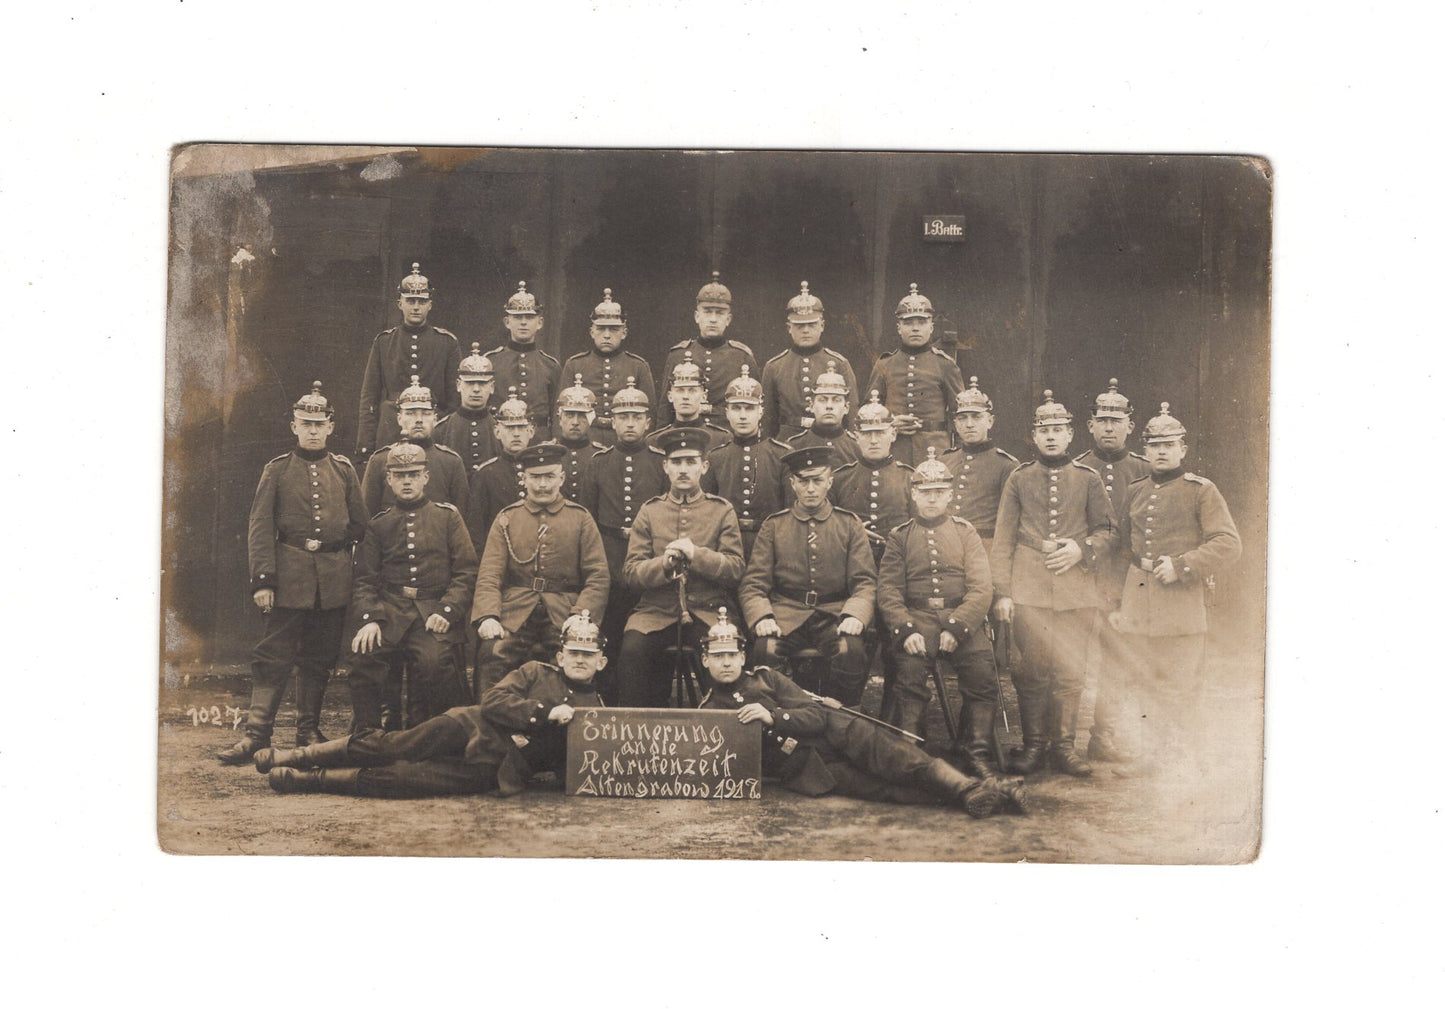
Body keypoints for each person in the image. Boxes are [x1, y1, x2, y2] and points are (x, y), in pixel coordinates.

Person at [698, 612, 1026, 816]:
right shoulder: (709, 713)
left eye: (731, 655)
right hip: (811, 768)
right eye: (718, 657)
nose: (725, 663)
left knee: (900, 760)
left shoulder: (767, 678)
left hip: (837, 732)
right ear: (705, 661)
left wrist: (774, 716)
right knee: (887, 790)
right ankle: (982, 795)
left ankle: (970, 789)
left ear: (742, 658)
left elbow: (816, 715)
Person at [255, 612, 608, 798]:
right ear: (560, 656)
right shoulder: (534, 671)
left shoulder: (597, 713)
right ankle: (295, 757)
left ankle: (310, 781)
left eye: (588, 656)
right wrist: (544, 714)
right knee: (396, 744)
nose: (580, 661)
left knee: (404, 780)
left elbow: (575, 767)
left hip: (494, 767)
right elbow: (493, 701)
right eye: (574, 653)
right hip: (468, 726)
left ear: (601, 663)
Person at [218, 382, 368, 765]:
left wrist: (337, 557)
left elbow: (359, 525)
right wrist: (264, 580)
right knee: (273, 655)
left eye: (320, 424)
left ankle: (307, 730)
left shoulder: (344, 470)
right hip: (288, 579)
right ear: (294, 426)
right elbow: (260, 526)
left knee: (319, 657)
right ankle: (256, 734)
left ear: (331, 427)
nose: (313, 431)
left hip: (333, 582)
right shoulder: (278, 470)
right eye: (306, 423)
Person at [1108, 403, 1241, 777]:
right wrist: (1117, 601)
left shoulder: (1201, 490)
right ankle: (1152, 758)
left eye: (1170, 444)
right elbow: (1122, 548)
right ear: (1145, 450)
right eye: (1154, 445)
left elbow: (1228, 544)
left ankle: (1191, 762)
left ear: (1183, 448)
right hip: (1138, 599)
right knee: (1146, 683)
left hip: (1180, 602)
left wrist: (1182, 565)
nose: (1162, 451)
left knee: (1181, 688)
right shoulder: (1134, 490)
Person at [992, 391, 1117, 777]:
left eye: (1058, 430)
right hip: (1029, 588)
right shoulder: (1019, 477)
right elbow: (1003, 540)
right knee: (1032, 670)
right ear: (1033, 435)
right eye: (1044, 430)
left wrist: (1082, 550)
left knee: (1070, 669)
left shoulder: (1088, 478)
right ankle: (1033, 747)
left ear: (1071, 434)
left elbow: (1109, 531)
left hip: (1075, 589)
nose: (1051, 437)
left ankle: (1064, 747)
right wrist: (1003, 593)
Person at [877, 449, 999, 775]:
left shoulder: (965, 532)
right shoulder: (900, 537)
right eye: (925, 493)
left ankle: (974, 752)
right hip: (917, 621)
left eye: (939, 493)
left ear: (950, 495)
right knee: (910, 674)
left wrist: (958, 627)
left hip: (961, 618)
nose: (932, 499)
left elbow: (981, 588)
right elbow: (888, 591)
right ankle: (912, 753)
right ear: (914, 494)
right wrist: (906, 629)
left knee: (982, 674)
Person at [345, 443, 478, 731]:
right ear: (389, 479)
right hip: (390, 612)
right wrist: (371, 620)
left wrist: (448, 611)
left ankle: (433, 736)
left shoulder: (447, 517)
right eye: (400, 475)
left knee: (435, 664)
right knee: (364, 656)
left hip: (433, 612)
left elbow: (466, 572)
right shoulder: (379, 525)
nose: (407, 481)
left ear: (426, 477)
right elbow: (365, 580)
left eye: (414, 474)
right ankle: (369, 737)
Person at [740, 446, 877, 707]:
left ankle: (841, 718)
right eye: (803, 481)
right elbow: (753, 584)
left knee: (851, 651)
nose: (811, 488)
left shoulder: (848, 524)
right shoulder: (775, 525)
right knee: (765, 649)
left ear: (830, 481)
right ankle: (784, 717)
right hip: (786, 614)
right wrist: (762, 616)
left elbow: (865, 582)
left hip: (834, 614)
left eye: (817, 480)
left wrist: (855, 615)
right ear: (793, 484)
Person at [617, 428, 745, 706]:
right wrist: (662, 565)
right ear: (665, 467)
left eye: (691, 462)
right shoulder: (650, 511)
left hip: (708, 612)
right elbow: (631, 573)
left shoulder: (722, 510)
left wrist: (696, 555)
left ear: (704, 466)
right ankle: (635, 738)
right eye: (676, 462)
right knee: (632, 650)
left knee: (724, 656)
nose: (683, 469)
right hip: (656, 612)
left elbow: (735, 568)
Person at [470, 442, 610, 697]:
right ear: (523, 479)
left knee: (574, 654)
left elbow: (598, 576)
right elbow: (490, 574)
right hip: (515, 611)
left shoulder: (580, 518)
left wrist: (580, 614)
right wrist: (488, 616)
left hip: (564, 613)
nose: (543, 484)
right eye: (535, 477)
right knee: (493, 652)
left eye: (549, 477)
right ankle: (489, 726)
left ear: (562, 478)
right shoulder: (507, 518)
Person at [1073, 378, 1152, 763]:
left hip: (1123, 578)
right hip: (1080, 576)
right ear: (1090, 425)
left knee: (1117, 660)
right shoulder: (1076, 469)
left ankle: (1102, 736)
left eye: (1115, 420)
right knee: (1068, 657)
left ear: (1130, 426)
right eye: (1101, 419)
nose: (1108, 427)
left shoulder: (1145, 469)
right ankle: (1062, 740)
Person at [576, 377, 668, 688]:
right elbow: (587, 518)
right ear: (612, 422)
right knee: (609, 634)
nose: (630, 424)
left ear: (648, 422)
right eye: (623, 417)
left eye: (636, 418)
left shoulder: (659, 462)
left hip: (649, 558)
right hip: (608, 555)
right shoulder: (598, 462)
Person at [356, 262, 462, 459]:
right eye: (410, 300)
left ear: (430, 304)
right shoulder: (384, 342)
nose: (415, 307)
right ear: (400, 303)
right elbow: (369, 397)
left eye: (421, 301)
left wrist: (445, 434)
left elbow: (455, 400)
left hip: (433, 430)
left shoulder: (447, 343)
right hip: (391, 430)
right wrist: (366, 445)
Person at [864, 283, 966, 468]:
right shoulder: (884, 364)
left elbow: (960, 413)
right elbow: (866, 411)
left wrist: (957, 456)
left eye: (922, 322)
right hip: (895, 449)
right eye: (908, 323)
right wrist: (890, 422)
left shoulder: (945, 365)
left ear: (931, 326)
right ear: (899, 327)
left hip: (935, 451)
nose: (915, 328)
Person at [700, 364, 789, 561]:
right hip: (726, 546)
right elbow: (707, 513)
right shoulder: (715, 458)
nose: (742, 415)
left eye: (749, 408)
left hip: (771, 547)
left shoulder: (780, 456)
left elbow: (789, 515)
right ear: (726, 412)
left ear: (761, 412)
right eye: (736, 408)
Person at [761, 281, 859, 440]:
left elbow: (852, 415)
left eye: (812, 324)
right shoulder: (774, 367)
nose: (806, 330)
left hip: (829, 441)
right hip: (786, 443)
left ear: (822, 325)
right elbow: (767, 421)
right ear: (789, 328)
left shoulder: (840, 364)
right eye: (799, 325)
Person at [659, 271, 758, 426]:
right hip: (687, 432)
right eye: (707, 312)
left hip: (728, 434)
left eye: (719, 313)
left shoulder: (742, 356)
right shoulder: (677, 355)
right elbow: (665, 408)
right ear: (697, 317)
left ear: (728, 319)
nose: (713, 319)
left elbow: (756, 405)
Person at [361, 376, 470, 516]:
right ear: (399, 419)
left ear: (435, 419)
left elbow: (460, 518)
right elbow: (367, 518)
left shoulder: (451, 462)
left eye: (425, 414)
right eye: (411, 414)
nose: (419, 420)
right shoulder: (379, 460)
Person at [562, 288, 656, 446]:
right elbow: (561, 412)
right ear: (591, 332)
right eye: (600, 329)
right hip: (585, 439)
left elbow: (649, 413)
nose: (606, 335)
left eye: (613, 329)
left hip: (625, 441)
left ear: (624, 333)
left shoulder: (638, 366)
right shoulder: (574, 365)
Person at [829, 390, 914, 554]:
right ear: (856, 437)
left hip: (898, 560)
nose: (874, 441)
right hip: (853, 560)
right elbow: (827, 528)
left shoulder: (909, 478)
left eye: (880, 433)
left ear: (893, 435)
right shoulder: (840, 479)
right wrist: (850, 533)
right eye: (867, 433)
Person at [939, 376, 1020, 542]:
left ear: (990, 421)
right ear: (955, 424)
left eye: (976, 417)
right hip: (947, 544)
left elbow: (1010, 522)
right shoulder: (944, 461)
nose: (969, 424)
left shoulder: (1006, 465)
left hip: (985, 547)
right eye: (962, 418)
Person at [485, 281, 559, 442]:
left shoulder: (550, 366)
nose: (523, 322)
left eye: (530, 317)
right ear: (507, 322)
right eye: (517, 317)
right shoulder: (490, 362)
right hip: (500, 439)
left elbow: (556, 414)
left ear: (539, 323)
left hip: (539, 440)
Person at [467, 388, 535, 551]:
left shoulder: (541, 470)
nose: (516, 434)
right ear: (497, 432)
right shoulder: (485, 474)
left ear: (531, 431)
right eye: (510, 428)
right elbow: (477, 528)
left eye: (521, 427)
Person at [432, 342, 497, 472]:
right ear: (458, 385)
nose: (476, 389)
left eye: (482, 383)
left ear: (492, 387)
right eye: (470, 383)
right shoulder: (441, 430)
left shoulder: (500, 429)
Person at [782, 361, 859, 466]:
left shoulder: (857, 447)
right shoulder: (794, 446)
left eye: (836, 400)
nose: (829, 406)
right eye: (823, 400)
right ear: (811, 405)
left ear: (846, 407)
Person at [651, 352, 730, 452]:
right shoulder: (655, 441)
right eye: (680, 390)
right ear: (670, 396)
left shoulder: (721, 439)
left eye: (692, 390)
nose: (685, 396)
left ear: (703, 397)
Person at [553, 376, 605, 501]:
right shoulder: (549, 452)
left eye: (582, 415)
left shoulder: (601, 456)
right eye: (569, 415)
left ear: (591, 419)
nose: (575, 422)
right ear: (560, 419)